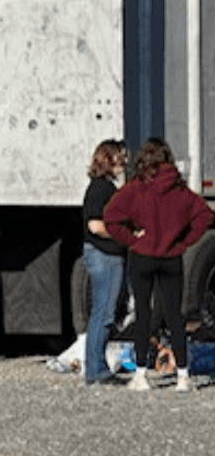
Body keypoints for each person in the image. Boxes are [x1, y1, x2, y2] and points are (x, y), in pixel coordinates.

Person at [104, 138, 214, 393]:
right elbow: (205, 215)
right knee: (175, 316)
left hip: (142, 257)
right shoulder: (180, 190)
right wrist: (183, 241)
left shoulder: (137, 187)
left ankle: (141, 374)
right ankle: (183, 376)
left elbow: (111, 219)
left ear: (145, 159)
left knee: (143, 314)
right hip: (171, 257)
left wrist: (131, 239)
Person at [80, 139, 128, 385]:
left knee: (102, 311)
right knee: (104, 312)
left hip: (102, 254)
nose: (124, 162)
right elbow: (96, 225)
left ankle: (95, 367)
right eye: (120, 158)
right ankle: (96, 370)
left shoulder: (100, 187)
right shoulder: (102, 189)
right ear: (109, 160)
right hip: (105, 254)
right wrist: (124, 235)